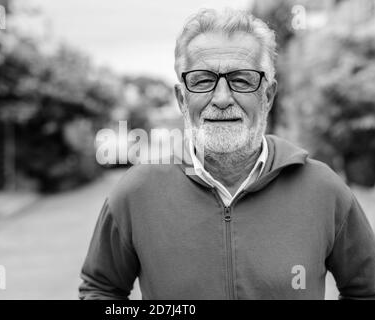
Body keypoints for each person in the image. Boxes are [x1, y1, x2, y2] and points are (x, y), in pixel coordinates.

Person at [79, 8, 375, 299]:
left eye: (242, 80)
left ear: (268, 96)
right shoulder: (136, 192)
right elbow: (101, 289)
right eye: (203, 81)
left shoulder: (324, 190)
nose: (221, 99)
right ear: (182, 98)